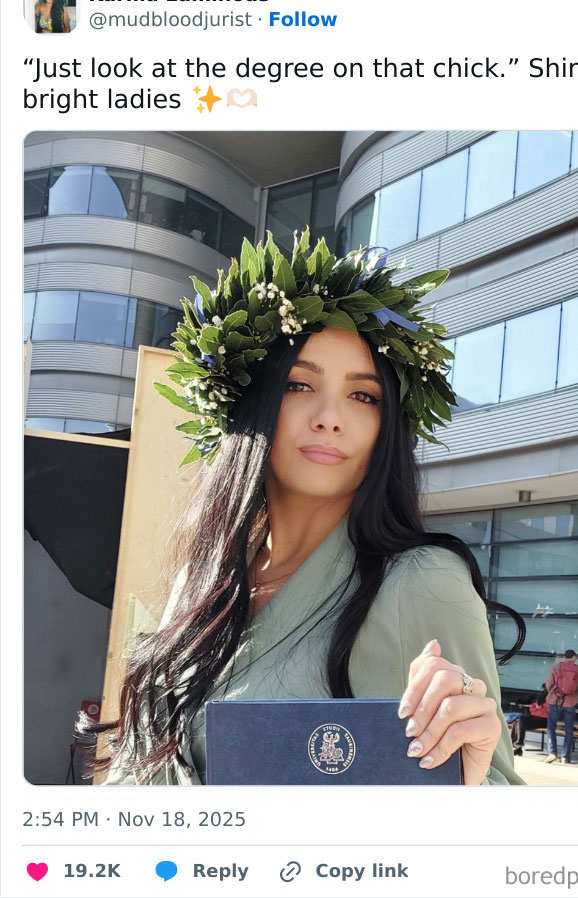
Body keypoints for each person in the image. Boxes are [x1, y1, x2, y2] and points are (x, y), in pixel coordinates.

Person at [88, 231, 526, 786]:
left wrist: (472, 767)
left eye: (363, 396)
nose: (330, 417)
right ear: (251, 407)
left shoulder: (422, 581)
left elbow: (499, 800)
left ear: (385, 428)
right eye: (299, 385)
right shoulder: (201, 585)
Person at [545, 650, 578, 764]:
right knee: (568, 730)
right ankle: (564, 756)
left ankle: (552, 753)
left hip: (555, 701)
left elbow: (549, 683)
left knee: (551, 727)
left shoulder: (556, 667)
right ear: (574, 657)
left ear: (564, 657)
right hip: (570, 702)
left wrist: (553, 694)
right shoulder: (577, 669)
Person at [512, 684, 548, 756]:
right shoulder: (541, 698)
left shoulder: (551, 699)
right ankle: (518, 746)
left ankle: (518, 745)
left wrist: (538, 708)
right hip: (535, 718)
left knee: (521, 722)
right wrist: (537, 707)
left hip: (544, 720)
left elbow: (543, 710)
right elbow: (532, 708)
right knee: (518, 722)